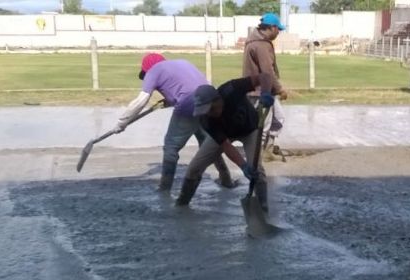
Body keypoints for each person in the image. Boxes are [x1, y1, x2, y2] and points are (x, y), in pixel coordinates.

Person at [114, 53, 235, 192]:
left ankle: (164, 188)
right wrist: (171, 100)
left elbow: (141, 101)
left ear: (147, 68)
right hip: (210, 103)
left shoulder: (153, 71)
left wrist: (121, 122)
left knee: (171, 147)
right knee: (209, 144)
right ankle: (226, 179)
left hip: (189, 105)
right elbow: (188, 86)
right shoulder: (182, 63)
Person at [176, 74, 276, 210]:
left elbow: (264, 76)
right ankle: (182, 204)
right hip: (226, 134)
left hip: (251, 129)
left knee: (257, 170)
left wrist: (265, 92)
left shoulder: (231, 89)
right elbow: (225, 145)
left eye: (211, 109)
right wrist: (243, 166)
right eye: (205, 111)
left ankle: (263, 208)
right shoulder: (206, 120)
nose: (209, 114)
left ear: (217, 99)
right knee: (194, 168)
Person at [242, 13, 289, 150]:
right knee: (263, 125)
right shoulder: (261, 45)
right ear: (272, 28)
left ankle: (268, 148)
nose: (278, 33)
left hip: (266, 89)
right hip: (260, 92)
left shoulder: (254, 41)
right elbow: (267, 71)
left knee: (279, 118)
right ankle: (258, 157)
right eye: (278, 30)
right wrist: (280, 89)